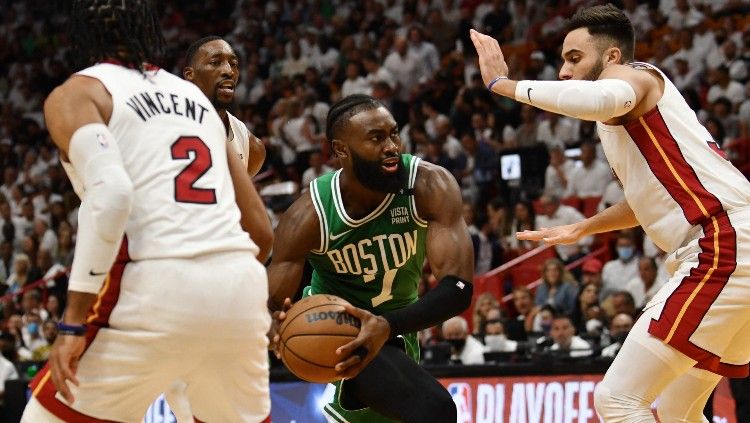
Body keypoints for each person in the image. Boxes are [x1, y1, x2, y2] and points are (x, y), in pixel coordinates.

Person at [472, 4, 750, 421]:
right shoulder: (635, 119)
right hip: (734, 243)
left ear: (612, 57)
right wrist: (584, 228)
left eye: (574, 59)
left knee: (617, 400)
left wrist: (503, 84)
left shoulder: (632, 77)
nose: (564, 72)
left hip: (721, 245)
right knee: (677, 410)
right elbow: (647, 200)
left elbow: (603, 97)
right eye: (562, 60)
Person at [22, 1, 273, 422]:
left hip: (153, 284)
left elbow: (113, 195)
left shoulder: (78, 92)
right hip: (239, 290)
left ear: (80, 35)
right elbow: (262, 232)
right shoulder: (195, 98)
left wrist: (71, 323)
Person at [268, 94, 474, 422]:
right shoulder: (311, 214)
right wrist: (276, 330)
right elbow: (273, 302)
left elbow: (458, 288)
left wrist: (388, 325)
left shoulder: (428, 185)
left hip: (399, 327)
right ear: (341, 150)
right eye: (376, 138)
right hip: (336, 328)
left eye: (394, 133)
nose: (392, 146)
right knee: (434, 410)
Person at [183, 36, 266, 177]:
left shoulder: (252, 148)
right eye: (215, 62)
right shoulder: (166, 125)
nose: (229, 71)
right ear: (190, 74)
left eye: (233, 64)